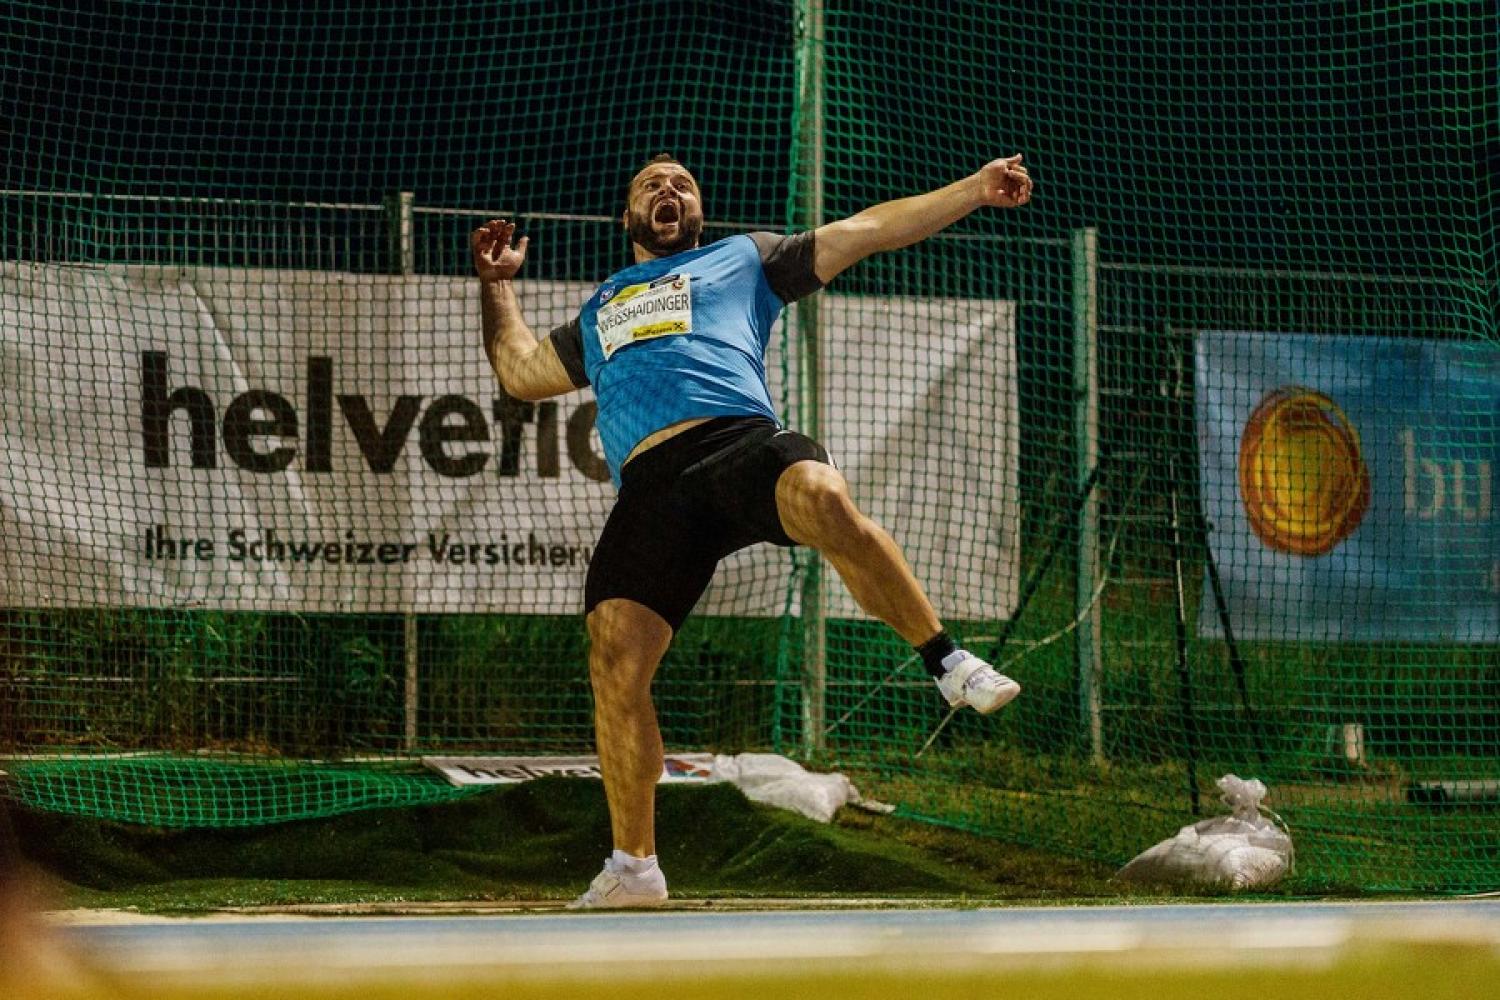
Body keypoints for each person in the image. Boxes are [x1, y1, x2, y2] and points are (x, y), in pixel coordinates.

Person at [472, 152, 1034, 909]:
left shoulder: (746, 259)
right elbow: (517, 371)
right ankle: (634, 869)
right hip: (651, 490)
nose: (669, 189)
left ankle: (948, 662)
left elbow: (869, 228)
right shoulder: (600, 310)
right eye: (651, 184)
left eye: (682, 183)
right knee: (614, 659)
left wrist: (974, 189)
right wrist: (496, 285)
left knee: (821, 494)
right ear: (628, 216)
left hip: (738, 444)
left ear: (697, 212)